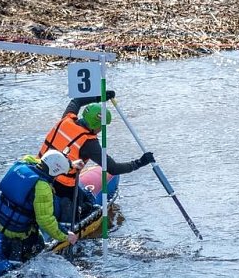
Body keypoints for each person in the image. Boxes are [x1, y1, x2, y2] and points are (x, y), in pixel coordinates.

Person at [38, 92, 155, 223]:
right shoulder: (88, 143)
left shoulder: (66, 119)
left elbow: (76, 101)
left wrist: (99, 96)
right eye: (102, 127)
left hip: (39, 171)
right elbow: (113, 168)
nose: (101, 130)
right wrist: (139, 162)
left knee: (82, 197)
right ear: (97, 126)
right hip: (62, 186)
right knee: (88, 206)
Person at [0, 150, 78, 262]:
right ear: (54, 171)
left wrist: (70, 165)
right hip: (14, 231)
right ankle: (20, 264)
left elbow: (36, 160)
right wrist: (66, 235)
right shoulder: (43, 187)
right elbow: (45, 221)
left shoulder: (23, 164)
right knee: (39, 244)